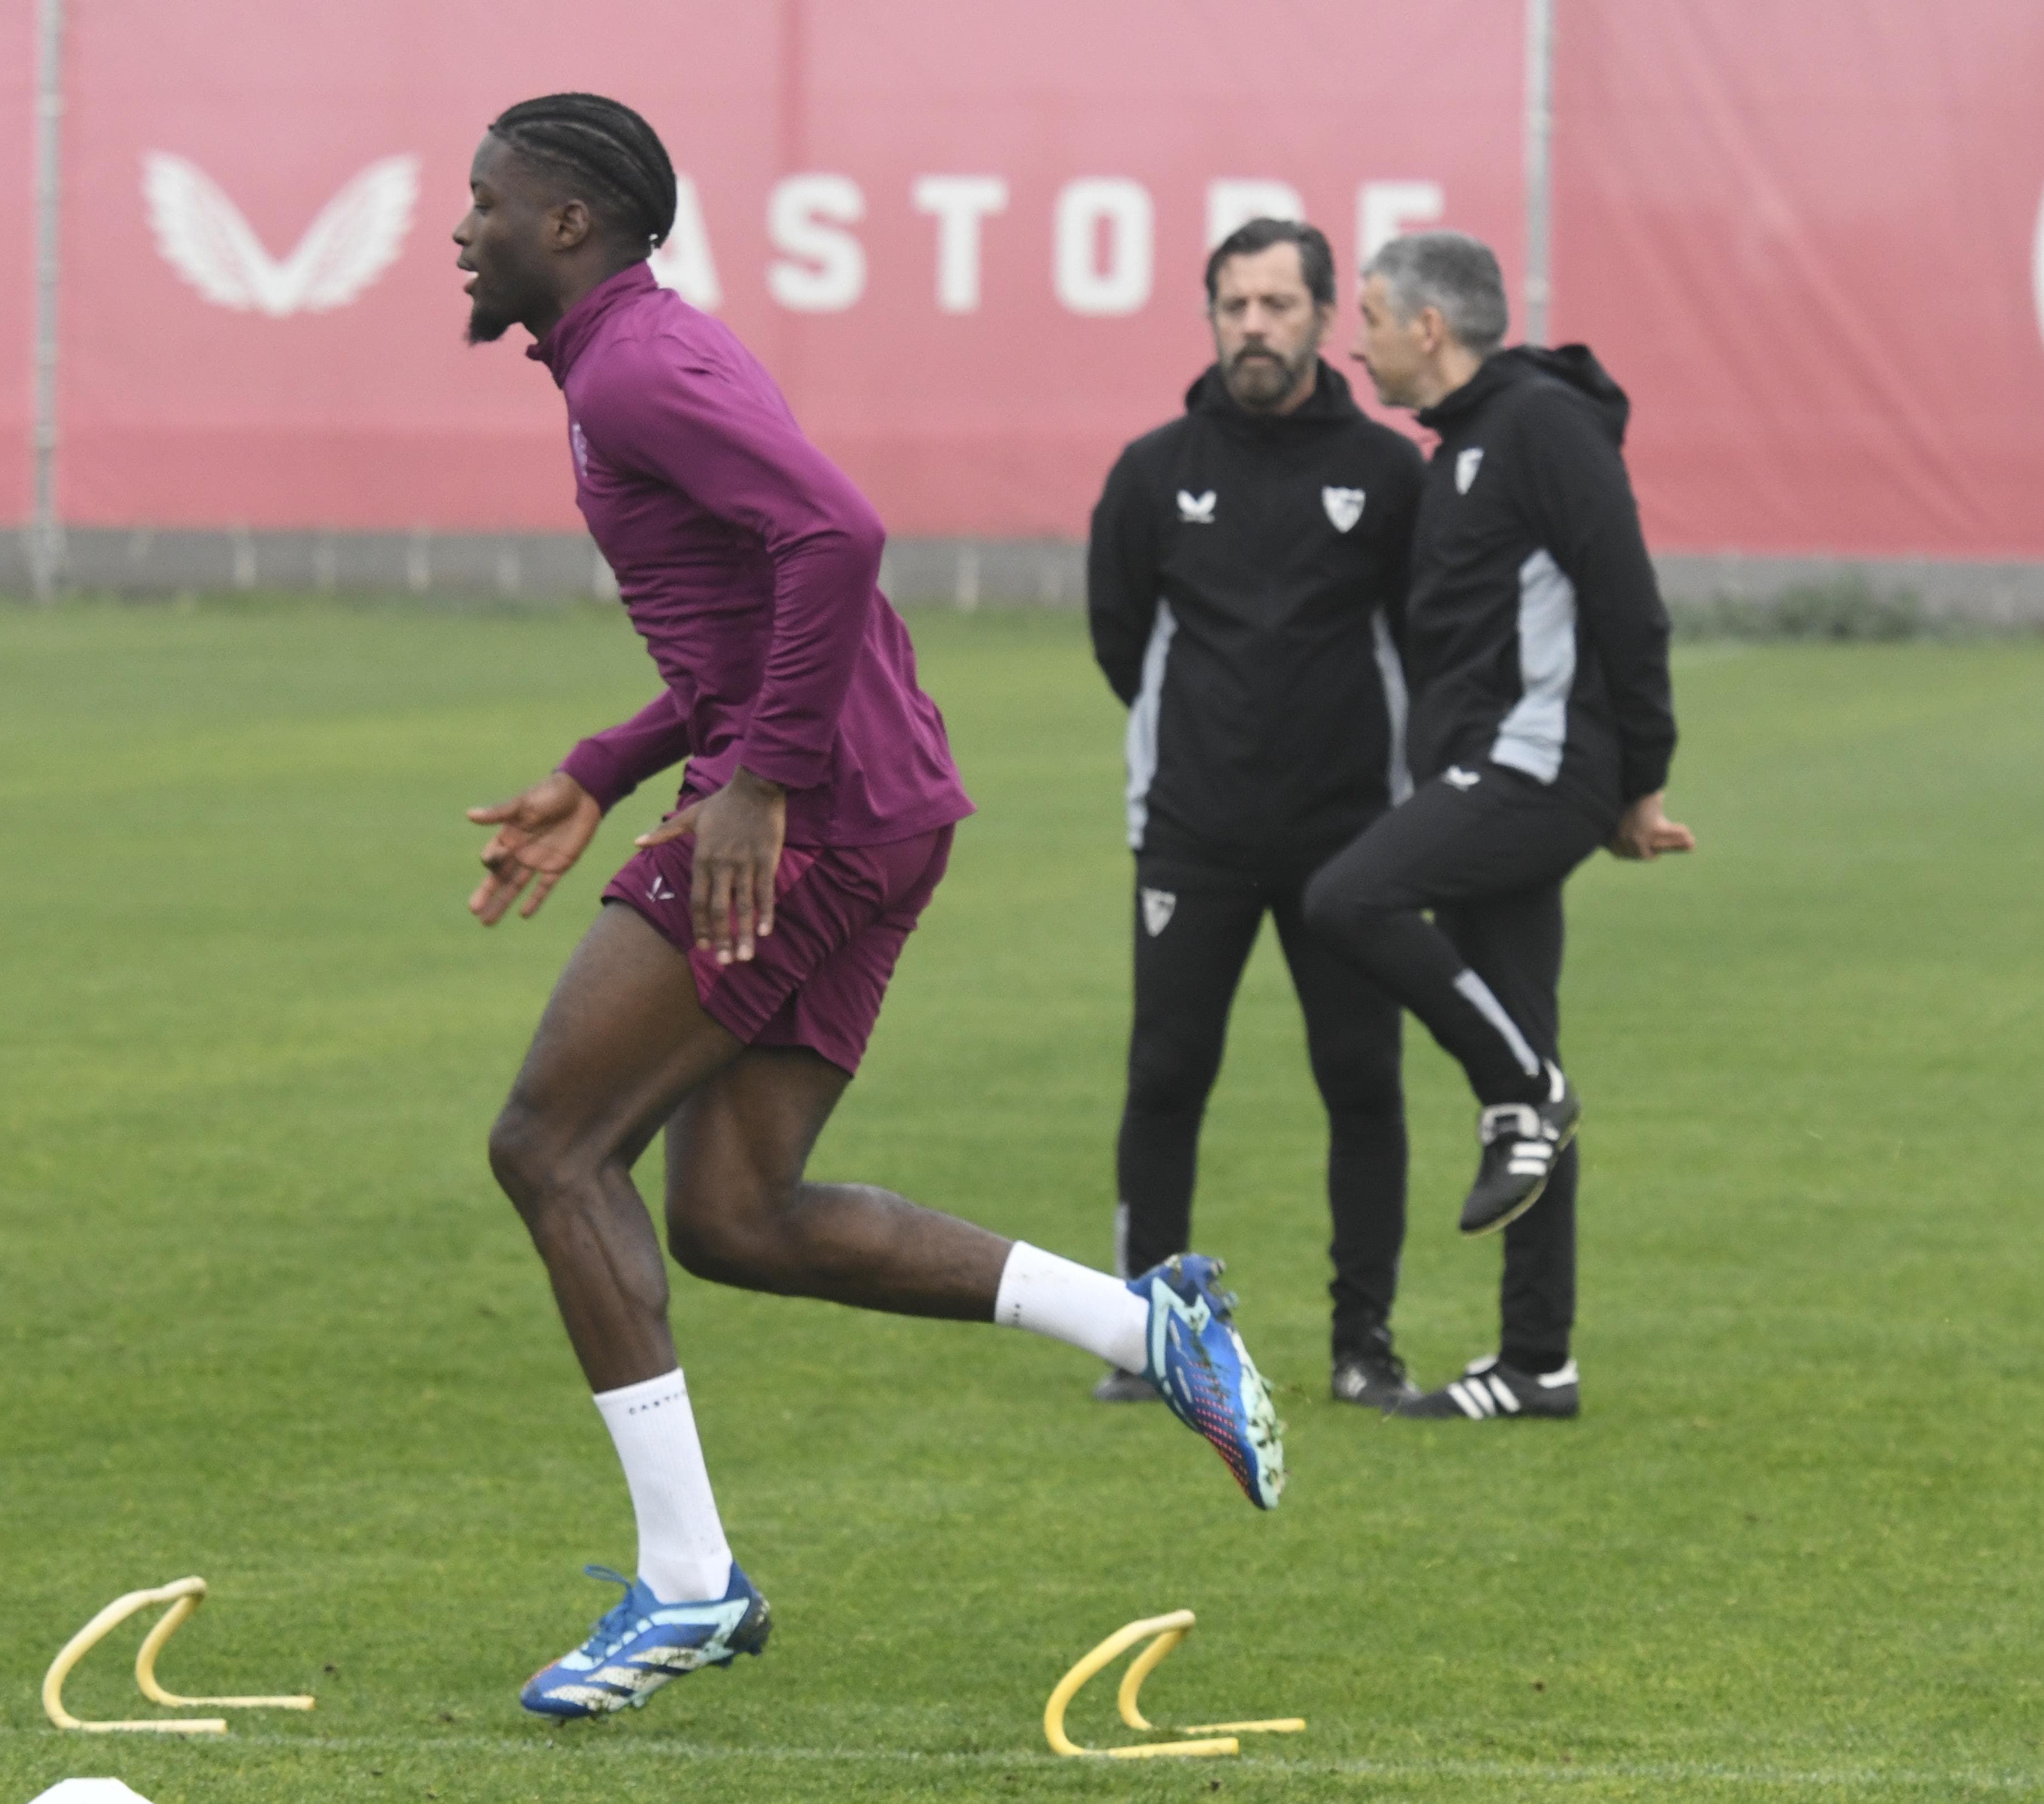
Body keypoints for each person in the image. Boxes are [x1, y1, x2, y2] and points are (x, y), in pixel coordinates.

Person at [450, 92, 1284, 1721]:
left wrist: (750, 782)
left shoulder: (634, 364)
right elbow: (748, 608)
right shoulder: (624, 357)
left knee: (548, 1145)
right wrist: (613, 765)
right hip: (865, 800)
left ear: (567, 224)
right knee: (734, 1216)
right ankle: (1152, 1326)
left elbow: (838, 533)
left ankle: (688, 1586)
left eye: (481, 202)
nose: (459, 229)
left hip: (815, 814)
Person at [1303, 230, 1693, 1421]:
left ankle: (1522, 1089)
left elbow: (1628, 601)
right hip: (1491, 773)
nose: (1352, 340)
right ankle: (1537, 1363)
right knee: (1529, 1033)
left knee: (1348, 900)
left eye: (1365, 315)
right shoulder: (1465, 445)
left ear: (1428, 327)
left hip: (1538, 773)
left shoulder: (1541, 428)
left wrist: (1641, 780)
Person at [1086, 219, 1426, 1412]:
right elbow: (1123, 644)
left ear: (1326, 316)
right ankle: (1149, 1339)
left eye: (1278, 305)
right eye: (1234, 305)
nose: (1255, 328)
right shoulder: (1152, 471)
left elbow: (1424, 647)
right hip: (1192, 835)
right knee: (1166, 1075)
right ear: (1210, 316)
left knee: (1360, 1081)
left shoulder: (1389, 476)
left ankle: (1364, 1342)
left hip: (1352, 847)